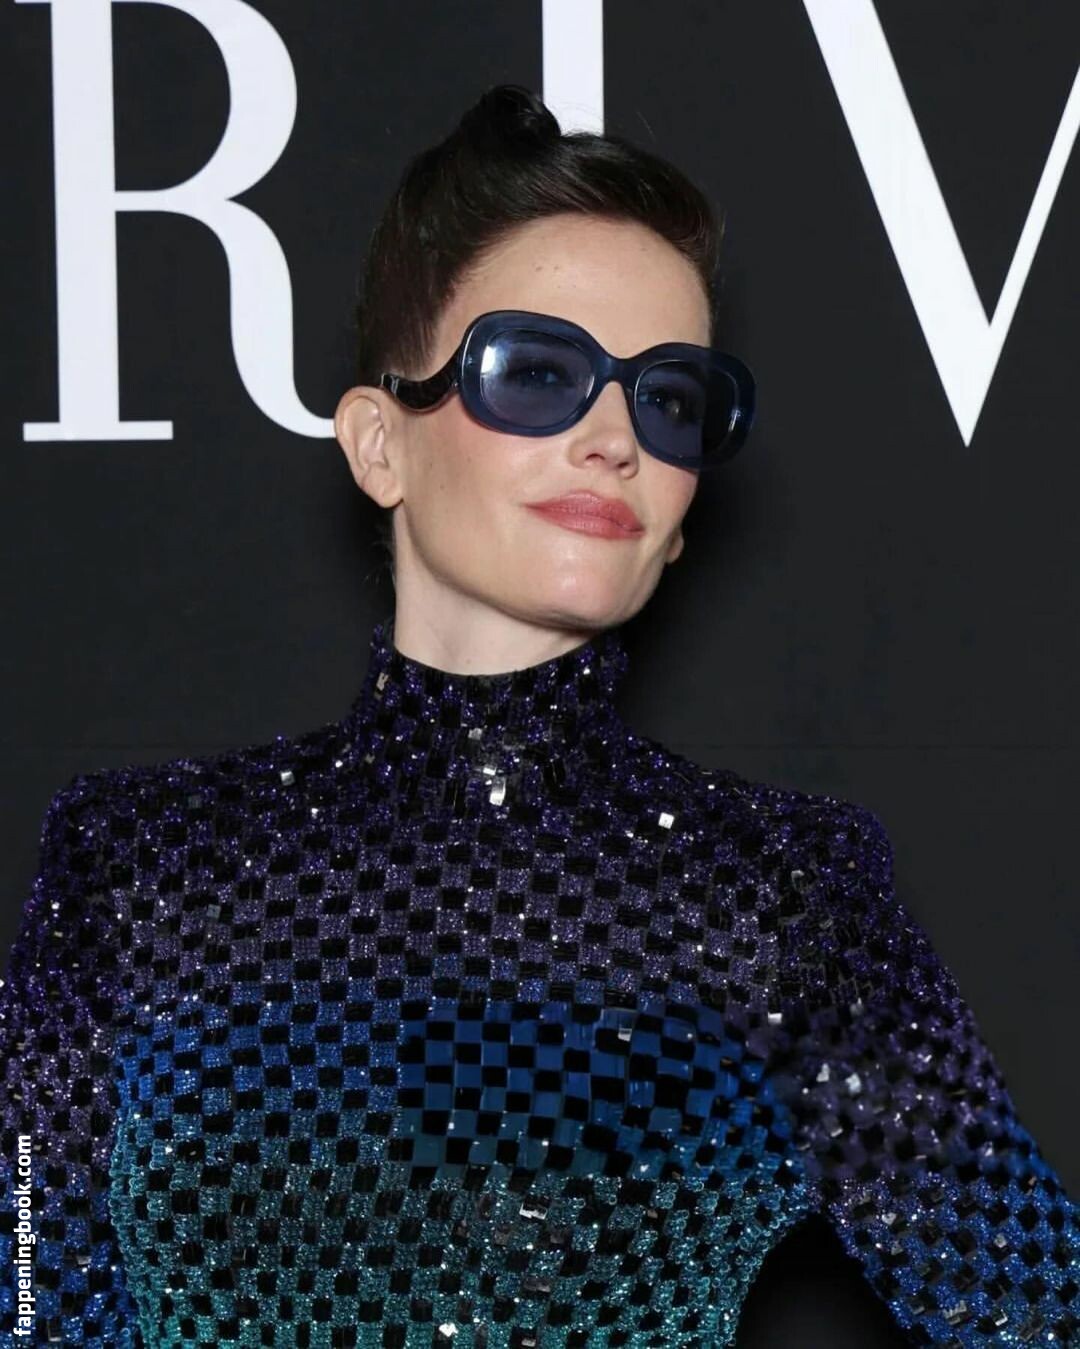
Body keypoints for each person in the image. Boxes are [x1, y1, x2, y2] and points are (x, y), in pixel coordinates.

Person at [0, 81, 1076, 1349]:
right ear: (378, 444)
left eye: (669, 400)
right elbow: (28, 1293)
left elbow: (1038, 1308)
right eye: (537, 372)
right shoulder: (138, 865)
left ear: (681, 516)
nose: (615, 436)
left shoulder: (783, 896)